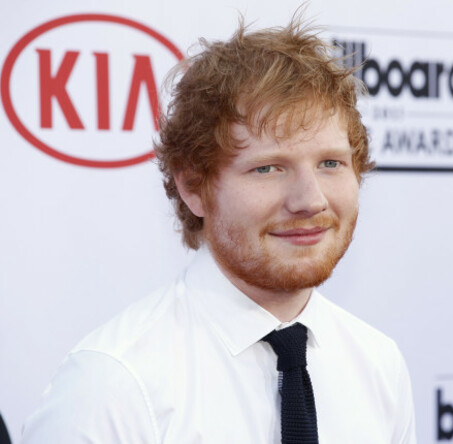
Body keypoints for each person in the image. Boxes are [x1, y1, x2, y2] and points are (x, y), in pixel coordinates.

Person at [22, 14, 416, 443]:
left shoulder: (379, 364)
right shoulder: (112, 388)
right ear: (193, 186)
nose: (310, 200)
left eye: (330, 164)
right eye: (268, 168)